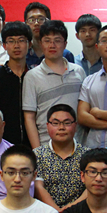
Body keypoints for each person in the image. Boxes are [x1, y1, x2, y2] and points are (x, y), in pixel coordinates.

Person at [23, 19, 87, 148]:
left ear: (65, 44)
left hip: (78, 146)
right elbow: (29, 117)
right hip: (47, 146)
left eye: (57, 41)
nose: (52, 45)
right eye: (47, 41)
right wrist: (38, 152)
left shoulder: (78, 72)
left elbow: (85, 109)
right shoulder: (32, 76)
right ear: (41, 43)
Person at [34, 104, 90, 212]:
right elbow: (38, 187)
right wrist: (56, 211)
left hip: (80, 212)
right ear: (47, 126)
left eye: (67, 123)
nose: (61, 128)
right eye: (55, 123)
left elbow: (92, 186)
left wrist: (69, 211)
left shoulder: (87, 155)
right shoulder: (37, 155)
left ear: (75, 126)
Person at [0, 21, 31, 146]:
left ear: (29, 44)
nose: (16, 46)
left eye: (21, 40)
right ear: (4, 45)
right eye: (11, 41)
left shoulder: (34, 77)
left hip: (33, 144)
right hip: (3, 145)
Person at [23, 3, 75, 69]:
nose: (36, 23)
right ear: (26, 24)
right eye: (31, 20)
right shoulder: (22, 54)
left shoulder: (65, 54)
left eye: (41, 19)